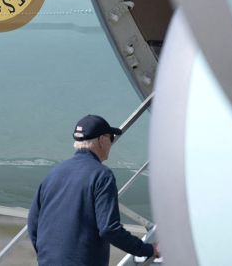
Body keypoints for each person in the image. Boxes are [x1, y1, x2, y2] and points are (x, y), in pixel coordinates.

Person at [28, 114, 159, 265]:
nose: (111, 143)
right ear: (102, 140)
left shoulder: (54, 173)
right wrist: (148, 250)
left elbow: (33, 224)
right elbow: (109, 229)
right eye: (111, 138)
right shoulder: (102, 175)